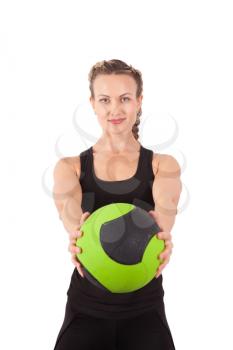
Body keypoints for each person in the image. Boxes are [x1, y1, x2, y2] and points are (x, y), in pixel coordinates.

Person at [52, 59, 182, 350]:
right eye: (105, 99)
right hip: (87, 308)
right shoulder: (69, 167)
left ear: (139, 101)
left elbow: (165, 210)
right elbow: (69, 211)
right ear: (93, 104)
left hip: (144, 309)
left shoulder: (163, 165)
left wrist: (163, 235)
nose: (115, 109)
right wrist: (76, 233)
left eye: (125, 98)